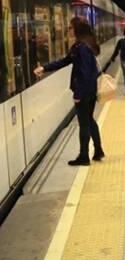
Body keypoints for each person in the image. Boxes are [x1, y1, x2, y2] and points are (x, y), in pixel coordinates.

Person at [34, 17, 104, 166]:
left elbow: (84, 73)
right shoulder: (84, 45)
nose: (68, 30)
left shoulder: (81, 47)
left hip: (85, 92)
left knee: (84, 124)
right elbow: (65, 61)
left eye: (70, 28)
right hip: (90, 90)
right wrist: (44, 68)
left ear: (77, 29)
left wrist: (78, 94)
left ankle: (84, 156)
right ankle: (98, 151)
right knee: (89, 120)